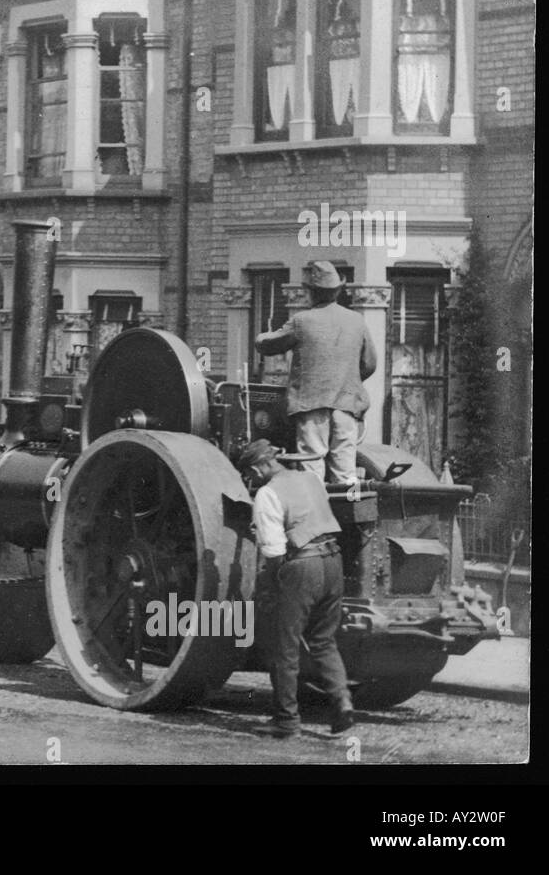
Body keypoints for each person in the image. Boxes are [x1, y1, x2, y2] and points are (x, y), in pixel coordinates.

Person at [238, 439, 355, 739]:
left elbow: (274, 551)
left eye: (249, 475)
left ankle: (287, 722)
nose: (250, 481)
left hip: (302, 566)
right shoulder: (311, 478)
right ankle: (342, 700)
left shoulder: (267, 493)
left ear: (257, 467)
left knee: (284, 646)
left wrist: (272, 584)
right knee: (324, 640)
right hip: (333, 561)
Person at [254, 260, 378, 484]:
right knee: (346, 472)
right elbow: (369, 364)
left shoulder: (302, 320)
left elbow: (268, 345)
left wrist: (260, 337)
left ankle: (313, 514)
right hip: (347, 406)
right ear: (337, 291)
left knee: (312, 469)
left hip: (311, 406)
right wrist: (346, 380)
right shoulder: (357, 321)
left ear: (311, 292)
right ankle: (346, 516)